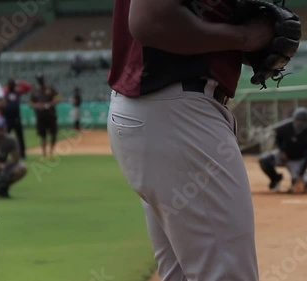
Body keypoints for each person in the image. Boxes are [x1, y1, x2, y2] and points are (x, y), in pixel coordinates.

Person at [107, 0, 274, 280]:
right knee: (226, 274)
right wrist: (243, 37)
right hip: (177, 114)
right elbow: (150, 21)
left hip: (163, 113)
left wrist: (240, 43)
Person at [259, 107, 307, 193]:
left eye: (303, 120)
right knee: (264, 159)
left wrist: (300, 174)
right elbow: (278, 137)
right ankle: (276, 179)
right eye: (298, 119)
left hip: (297, 160)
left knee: (298, 185)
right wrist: (281, 150)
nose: (300, 123)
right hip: (283, 155)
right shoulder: (285, 128)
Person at [30, 73, 60, 160]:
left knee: (53, 134)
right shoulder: (35, 90)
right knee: (42, 135)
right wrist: (37, 106)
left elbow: (57, 99)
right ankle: (44, 154)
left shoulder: (50, 88)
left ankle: (51, 152)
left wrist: (49, 104)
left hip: (50, 114)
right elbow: (31, 103)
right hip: (40, 115)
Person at [2, 78, 32, 159]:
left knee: (20, 136)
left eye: (13, 84)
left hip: (16, 118)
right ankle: (3, 154)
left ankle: (22, 154)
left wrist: (19, 82)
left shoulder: (17, 91)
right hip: (6, 118)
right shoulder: (4, 91)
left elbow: (28, 87)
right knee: (5, 137)